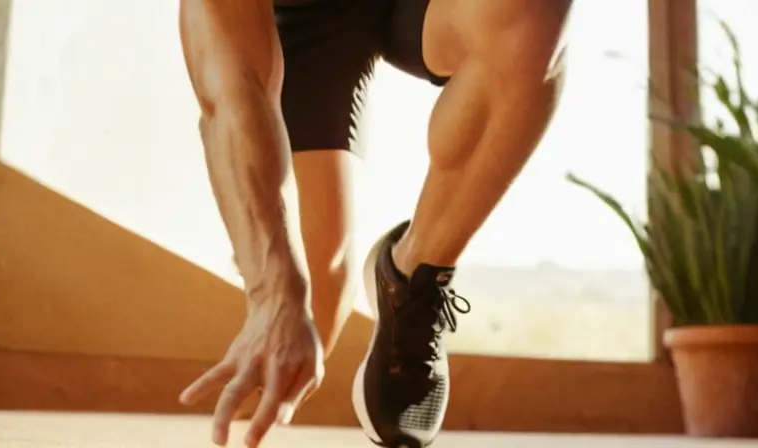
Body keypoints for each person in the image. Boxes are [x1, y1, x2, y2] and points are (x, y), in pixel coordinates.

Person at [176, 0, 571, 446]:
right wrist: (272, 290)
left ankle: (415, 275)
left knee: (532, 19)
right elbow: (227, 89)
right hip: (302, 16)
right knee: (322, 294)